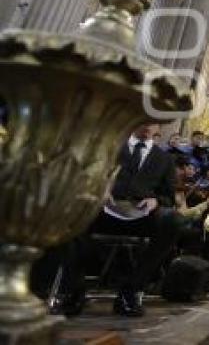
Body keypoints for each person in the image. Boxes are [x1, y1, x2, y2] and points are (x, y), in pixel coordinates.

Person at [50, 124, 180, 317]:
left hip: (142, 215)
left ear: (158, 127)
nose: (147, 125)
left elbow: (168, 196)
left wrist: (156, 200)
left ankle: (131, 290)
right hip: (104, 209)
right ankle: (73, 289)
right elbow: (84, 177)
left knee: (173, 221)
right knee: (71, 214)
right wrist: (98, 189)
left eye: (152, 122)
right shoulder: (108, 148)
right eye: (143, 119)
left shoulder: (165, 159)